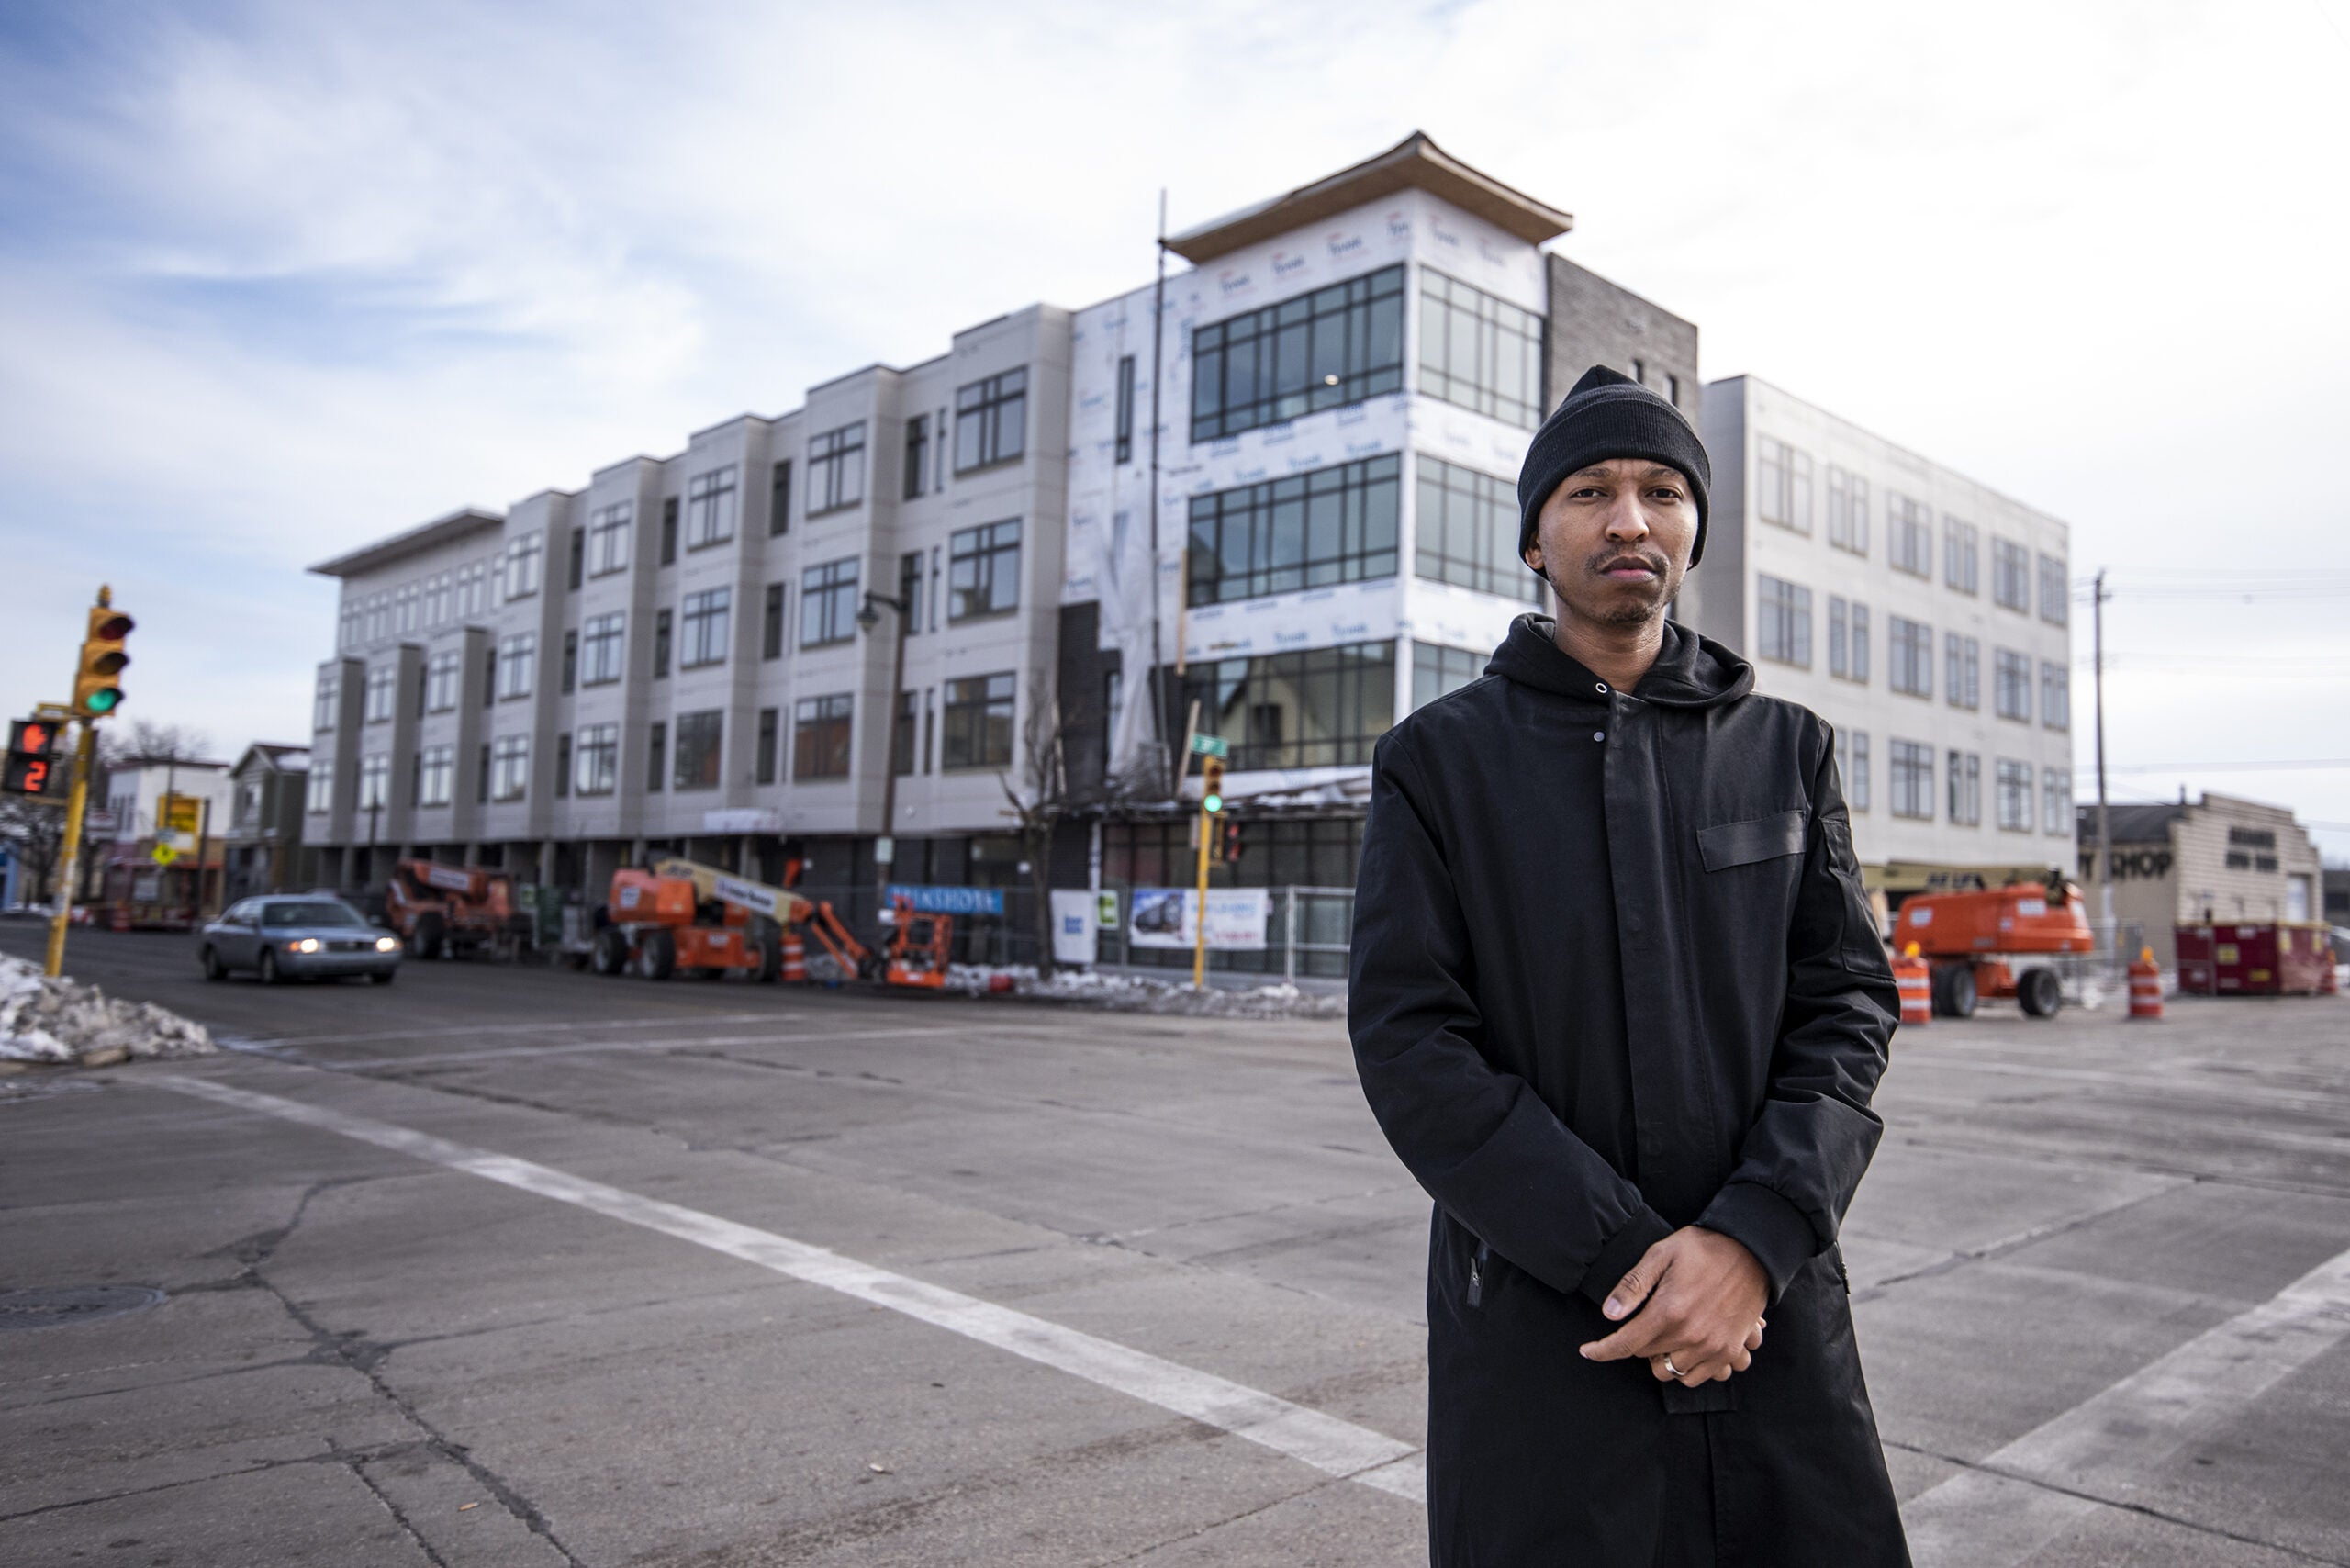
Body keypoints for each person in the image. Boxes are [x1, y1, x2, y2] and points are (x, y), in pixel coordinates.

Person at [1348, 365, 1910, 1566]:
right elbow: (1412, 1040)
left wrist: (1753, 1242)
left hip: (1770, 1317)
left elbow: (1847, 1001)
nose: (1630, 519)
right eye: (1592, 490)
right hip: (1551, 1321)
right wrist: (1631, 1268)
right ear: (1535, 538)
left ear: (1694, 524)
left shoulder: (1784, 752)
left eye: (1662, 489)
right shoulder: (1439, 765)